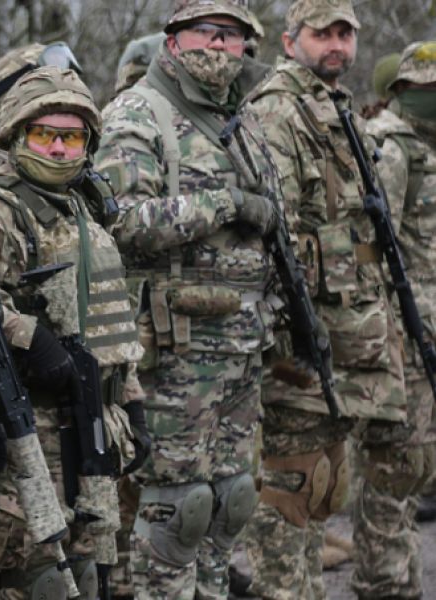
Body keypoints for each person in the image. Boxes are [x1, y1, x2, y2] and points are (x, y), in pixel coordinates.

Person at [93, 0, 278, 597]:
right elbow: (121, 220)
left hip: (243, 345)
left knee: (231, 502)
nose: (220, 45)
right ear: (173, 40)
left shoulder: (243, 121)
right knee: (179, 510)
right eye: (207, 32)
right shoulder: (138, 112)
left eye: (232, 36)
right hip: (175, 350)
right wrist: (224, 203)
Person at [241, 1, 414, 597]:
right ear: (291, 41)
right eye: (322, 34)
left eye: (345, 33)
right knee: (292, 489)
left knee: (324, 486)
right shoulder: (278, 110)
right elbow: (276, 234)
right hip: (301, 337)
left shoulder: (335, 106)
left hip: (348, 333)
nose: (336, 44)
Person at [0, 65, 151, 599]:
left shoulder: (83, 204)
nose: (59, 149)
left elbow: (108, 319)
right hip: (33, 423)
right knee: (40, 577)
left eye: (72, 138)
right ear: (16, 134)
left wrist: (132, 403)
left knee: (91, 572)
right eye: (46, 135)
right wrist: (30, 336)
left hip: (98, 415)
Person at [353, 39, 436, 599]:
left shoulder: (426, 143)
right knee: (394, 468)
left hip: (426, 332)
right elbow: (372, 254)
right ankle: (383, 584)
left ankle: (404, 581)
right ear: (405, 89)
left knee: (418, 468)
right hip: (402, 336)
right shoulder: (392, 145)